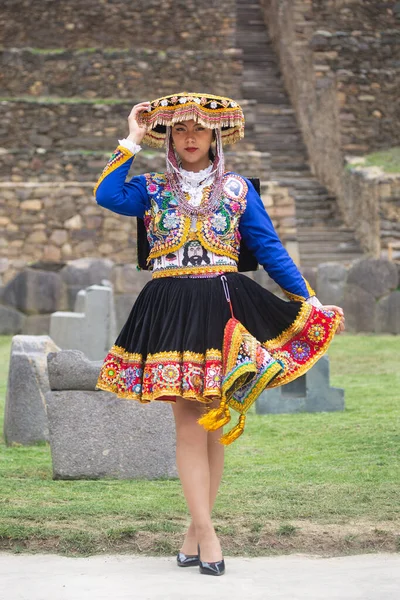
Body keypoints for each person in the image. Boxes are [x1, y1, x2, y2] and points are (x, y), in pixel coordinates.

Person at [93, 93, 345, 576]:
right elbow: (106, 195)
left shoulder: (236, 190)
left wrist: (307, 301)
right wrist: (131, 139)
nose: (189, 138)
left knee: (213, 426)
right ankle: (208, 533)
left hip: (224, 307)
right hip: (172, 309)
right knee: (189, 424)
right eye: (180, 130)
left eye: (200, 130)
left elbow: (268, 247)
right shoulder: (148, 187)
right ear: (167, 136)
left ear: (216, 135)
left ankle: (194, 530)